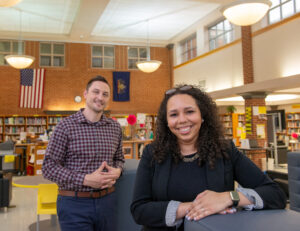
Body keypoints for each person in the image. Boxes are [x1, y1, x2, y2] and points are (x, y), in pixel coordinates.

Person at [130, 85, 286, 231]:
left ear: (202, 115)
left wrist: (229, 197)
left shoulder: (225, 150)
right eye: (174, 114)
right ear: (167, 122)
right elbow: (139, 210)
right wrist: (195, 207)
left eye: (189, 111)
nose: (182, 119)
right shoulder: (152, 153)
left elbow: (275, 194)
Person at [42, 76, 124, 231]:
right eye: (96, 92)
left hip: (108, 202)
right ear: (86, 94)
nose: (100, 97)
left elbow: (119, 159)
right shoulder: (65, 126)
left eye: (105, 94)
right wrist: (85, 179)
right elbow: (48, 167)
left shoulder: (114, 127)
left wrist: (118, 171)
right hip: (74, 204)